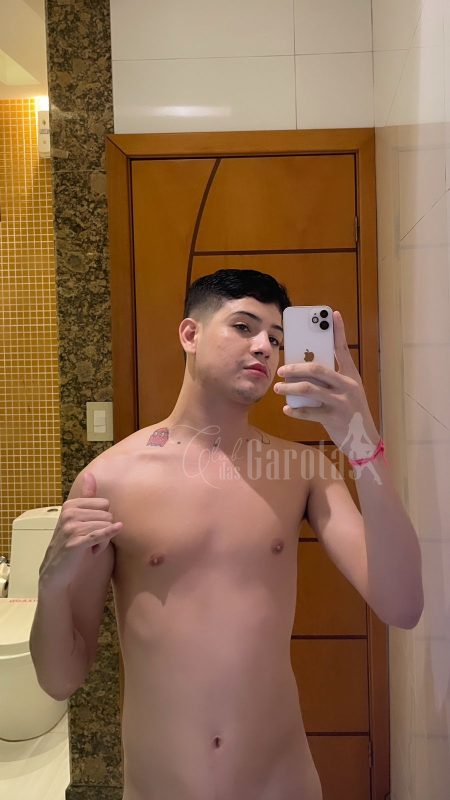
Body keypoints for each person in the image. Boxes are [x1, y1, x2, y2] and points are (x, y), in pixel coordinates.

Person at [30, 269, 424, 800]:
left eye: (276, 338)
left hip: (282, 786)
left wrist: (360, 437)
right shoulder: (110, 480)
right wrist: (50, 583)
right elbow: (60, 679)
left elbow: (403, 605)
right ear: (190, 334)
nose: (264, 346)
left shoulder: (303, 472)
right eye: (243, 326)